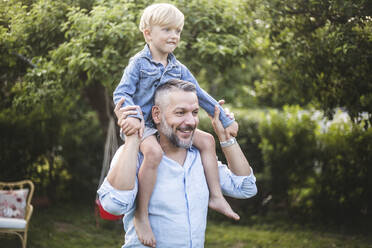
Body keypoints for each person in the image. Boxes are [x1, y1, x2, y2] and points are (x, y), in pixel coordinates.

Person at [113, 3, 239, 246]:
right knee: (152, 154)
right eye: (167, 29)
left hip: (168, 124)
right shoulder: (138, 63)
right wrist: (130, 116)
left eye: (178, 31)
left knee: (207, 140)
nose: (174, 36)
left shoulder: (178, 68)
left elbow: (199, 94)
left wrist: (223, 117)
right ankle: (141, 214)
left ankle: (215, 196)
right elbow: (122, 93)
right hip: (144, 126)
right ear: (148, 33)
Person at [99, 79, 257, 247]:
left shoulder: (201, 158)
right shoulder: (136, 156)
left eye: (194, 112)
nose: (190, 121)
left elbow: (246, 188)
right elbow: (114, 206)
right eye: (180, 113)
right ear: (157, 115)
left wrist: (226, 137)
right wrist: (132, 138)